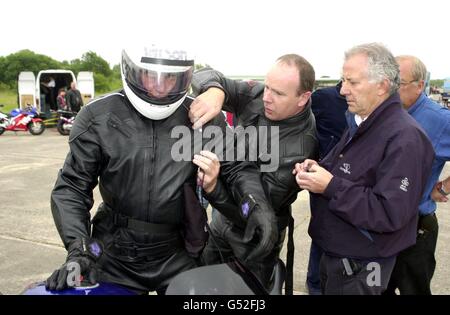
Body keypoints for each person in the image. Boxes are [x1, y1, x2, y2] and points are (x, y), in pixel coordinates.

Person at [45, 45, 274, 294]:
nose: (160, 87)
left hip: (178, 251)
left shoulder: (201, 114)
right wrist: (79, 250)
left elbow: (238, 167)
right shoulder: (97, 116)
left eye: (171, 78)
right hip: (113, 252)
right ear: (130, 69)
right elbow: (72, 187)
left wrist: (256, 205)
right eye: (150, 76)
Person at [294, 43, 434, 295]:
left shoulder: (405, 137)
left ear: (381, 85)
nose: (343, 90)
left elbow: (389, 212)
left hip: (360, 267)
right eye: (342, 80)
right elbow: (351, 172)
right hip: (337, 257)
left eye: (352, 82)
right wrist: (318, 168)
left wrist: (330, 185)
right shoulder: (364, 122)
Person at [190, 54, 319, 292]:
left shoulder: (298, 149)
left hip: (253, 242)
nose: (266, 97)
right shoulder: (262, 94)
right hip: (219, 225)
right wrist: (215, 91)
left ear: (304, 97)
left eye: (278, 93)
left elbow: (253, 215)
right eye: (267, 86)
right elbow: (204, 73)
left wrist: (213, 189)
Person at [384, 55, 450, 295]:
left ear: (420, 85)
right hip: (378, 228)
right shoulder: (380, 113)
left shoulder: (439, 120)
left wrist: (442, 187)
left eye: (398, 84)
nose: (390, 90)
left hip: (415, 230)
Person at [305, 81, 349, 295]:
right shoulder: (324, 97)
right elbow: (301, 122)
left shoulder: (375, 109)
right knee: (321, 235)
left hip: (351, 187)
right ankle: (314, 286)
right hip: (321, 183)